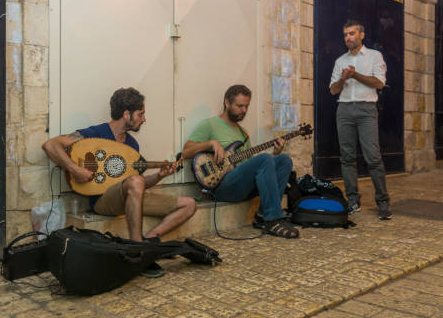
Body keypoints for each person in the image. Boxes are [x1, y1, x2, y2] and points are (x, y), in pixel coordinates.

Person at [42, 87, 197, 277]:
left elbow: (137, 185)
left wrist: (160, 176)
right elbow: (50, 145)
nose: (144, 119)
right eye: (141, 114)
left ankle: (146, 243)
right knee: (135, 182)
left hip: (129, 196)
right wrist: (75, 169)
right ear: (126, 114)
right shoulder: (94, 133)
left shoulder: (132, 145)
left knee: (189, 204)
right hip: (103, 201)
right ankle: (137, 253)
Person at [181, 85, 299, 238]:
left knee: (284, 160)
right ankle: (273, 219)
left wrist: (274, 153)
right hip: (223, 186)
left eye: (246, 106)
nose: (244, 110)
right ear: (227, 103)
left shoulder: (243, 133)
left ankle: (263, 216)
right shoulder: (209, 124)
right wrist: (211, 143)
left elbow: (253, 166)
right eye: (240, 106)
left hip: (243, 186)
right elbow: (186, 151)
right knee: (264, 159)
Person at [329, 20, 392, 220]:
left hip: (366, 110)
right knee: (347, 158)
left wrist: (356, 75)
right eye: (346, 34)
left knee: (373, 157)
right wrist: (344, 78)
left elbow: (379, 83)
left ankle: (383, 203)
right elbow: (333, 90)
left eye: (352, 33)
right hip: (345, 109)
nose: (349, 37)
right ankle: (353, 201)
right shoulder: (340, 61)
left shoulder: (374, 56)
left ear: (361, 35)